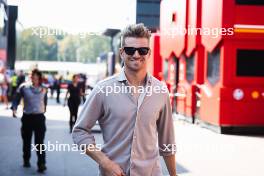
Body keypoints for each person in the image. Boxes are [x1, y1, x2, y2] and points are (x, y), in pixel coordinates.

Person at [72, 24, 177, 176]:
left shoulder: (160, 90)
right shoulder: (103, 89)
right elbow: (80, 131)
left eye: (142, 50)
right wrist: (105, 162)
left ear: (149, 53)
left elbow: (167, 141)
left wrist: (174, 174)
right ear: (121, 52)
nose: (136, 55)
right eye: (130, 50)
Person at [12, 69, 48, 173]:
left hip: (39, 118)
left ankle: (41, 163)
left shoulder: (44, 88)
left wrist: (44, 109)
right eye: (32, 76)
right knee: (27, 141)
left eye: (36, 77)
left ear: (39, 77)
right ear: (30, 77)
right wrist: (14, 108)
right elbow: (16, 98)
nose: (34, 79)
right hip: (27, 118)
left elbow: (44, 101)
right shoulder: (23, 87)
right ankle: (26, 159)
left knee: (39, 142)